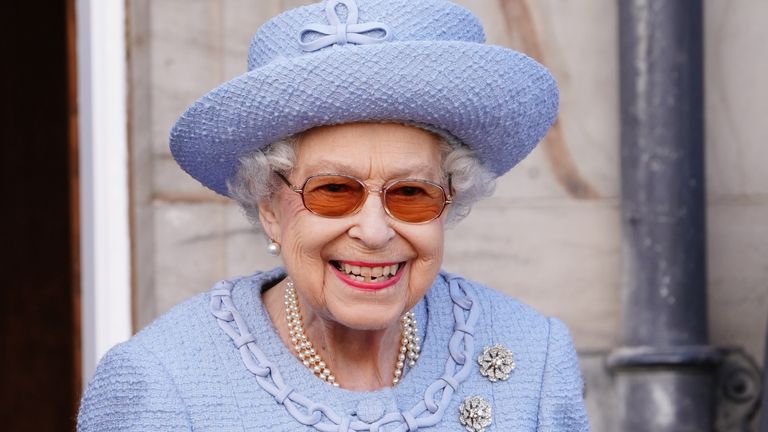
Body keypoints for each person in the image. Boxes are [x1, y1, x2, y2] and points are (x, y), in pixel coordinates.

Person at [78, 0, 589, 430]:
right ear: (269, 207)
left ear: (449, 202)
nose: (373, 231)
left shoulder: (534, 357)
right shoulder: (161, 384)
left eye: (411, 193)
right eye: (333, 191)